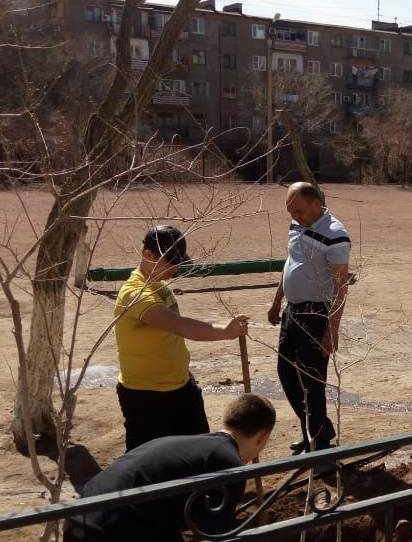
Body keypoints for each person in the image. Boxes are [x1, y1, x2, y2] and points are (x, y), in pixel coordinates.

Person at [63, 393, 276, 542]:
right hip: (116, 531)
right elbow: (215, 535)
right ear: (262, 438)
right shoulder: (228, 464)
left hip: (79, 520)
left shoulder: (189, 445)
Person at [113, 226, 249, 452]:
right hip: (146, 398)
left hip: (181, 388)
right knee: (151, 464)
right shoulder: (134, 294)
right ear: (148, 255)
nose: (176, 268)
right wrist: (225, 332)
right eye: (171, 262)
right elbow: (178, 325)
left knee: (199, 456)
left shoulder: (159, 285)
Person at [268, 182, 350, 453]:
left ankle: (320, 449)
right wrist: (277, 300)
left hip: (315, 316)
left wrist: (331, 330)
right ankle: (315, 429)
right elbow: (290, 262)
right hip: (292, 312)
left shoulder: (335, 235)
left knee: (312, 383)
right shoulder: (297, 224)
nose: (294, 216)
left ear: (316, 204)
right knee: (286, 374)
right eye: (290, 211)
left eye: (299, 210)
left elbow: (340, 287)